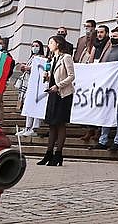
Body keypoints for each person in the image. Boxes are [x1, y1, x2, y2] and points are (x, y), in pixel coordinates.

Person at [38, 35, 75, 167]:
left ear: (58, 44)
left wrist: (58, 85)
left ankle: (58, 153)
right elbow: (53, 76)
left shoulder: (66, 57)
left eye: (51, 42)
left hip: (63, 94)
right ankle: (48, 153)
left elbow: (71, 76)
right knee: (51, 124)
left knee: (60, 124)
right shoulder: (52, 59)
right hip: (52, 93)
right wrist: (47, 78)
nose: (49, 45)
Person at [16, 41, 45, 137]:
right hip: (28, 83)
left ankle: (34, 128)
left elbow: (40, 70)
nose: (34, 47)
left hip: (36, 86)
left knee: (35, 106)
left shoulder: (41, 58)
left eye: (37, 46)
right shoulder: (31, 57)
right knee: (28, 106)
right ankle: (28, 127)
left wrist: (29, 68)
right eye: (33, 46)